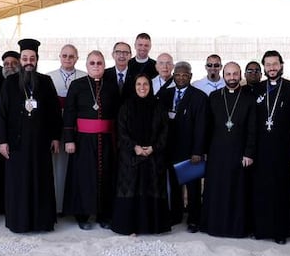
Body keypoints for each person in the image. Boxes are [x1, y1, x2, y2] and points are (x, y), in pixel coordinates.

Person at [0, 39, 62, 233]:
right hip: (17, 143)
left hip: (40, 144)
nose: (28, 62)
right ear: (19, 60)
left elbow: (54, 112)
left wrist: (55, 137)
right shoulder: (9, 82)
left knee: (40, 182)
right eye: (25, 58)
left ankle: (41, 223)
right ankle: (20, 222)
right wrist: (2, 141)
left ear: (37, 60)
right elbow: (2, 113)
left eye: (32, 58)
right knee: (19, 183)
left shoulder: (45, 81)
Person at [63, 50, 120, 230]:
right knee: (84, 177)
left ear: (104, 65)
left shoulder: (111, 86)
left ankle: (104, 215)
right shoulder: (77, 85)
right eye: (92, 63)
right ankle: (83, 215)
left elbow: (118, 114)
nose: (96, 66)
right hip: (83, 141)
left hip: (107, 140)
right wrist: (69, 140)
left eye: (99, 63)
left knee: (106, 176)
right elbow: (69, 113)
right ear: (86, 66)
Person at [251, 50, 290, 244]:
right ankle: (261, 229)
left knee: (281, 191)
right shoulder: (256, 88)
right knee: (261, 190)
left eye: (275, 64)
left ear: (281, 65)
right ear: (264, 67)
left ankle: (281, 231)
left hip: (283, 149)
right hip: (261, 149)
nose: (272, 67)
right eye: (268, 64)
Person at [201, 62, 256, 238]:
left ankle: (236, 228)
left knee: (237, 191)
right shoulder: (215, 97)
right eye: (228, 74)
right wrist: (204, 149)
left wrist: (249, 152)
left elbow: (252, 128)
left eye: (235, 74)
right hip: (217, 152)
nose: (232, 78)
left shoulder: (248, 98)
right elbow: (207, 126)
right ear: (223, 75)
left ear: (240, 75)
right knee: (217, 189)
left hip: (239, 153)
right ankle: (215, 226)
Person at [111, 74, 171, 235]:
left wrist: (153, 148)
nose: (142, 87)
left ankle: (151, 227)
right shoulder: (126, 107)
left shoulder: (159, 106)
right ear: (134, 86)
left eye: (145, 84)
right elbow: (121, 131)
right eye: (139, 84)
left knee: (150, 188)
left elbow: (164, 132)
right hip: (130, 157)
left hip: (153, 157)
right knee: (132, 189)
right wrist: (135, 147)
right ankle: (129, 227)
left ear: (150, 87)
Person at [158, 61, 208, 232]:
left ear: (190, 76)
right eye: (177, 75)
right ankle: (176, 215)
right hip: (170, 149)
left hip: (190, 151)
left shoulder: (199, 97)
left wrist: (197, 151)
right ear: (173, 76)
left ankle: (194, 219)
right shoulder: (165, 94)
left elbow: (202, 126)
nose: (181, 78)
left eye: (184, 75)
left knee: (193, 187)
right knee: (174, 184)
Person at [48, 43, 85, 213]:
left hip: (77, 129)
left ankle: (72, 204)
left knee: (75, 166)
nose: (68, 59)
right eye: (65, 56)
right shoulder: (49, 77)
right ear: (60, 57)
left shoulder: (84, 77)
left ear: (77, 58)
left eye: (71, 56)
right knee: (57, 166)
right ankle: (57, 205)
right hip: (55, 127)